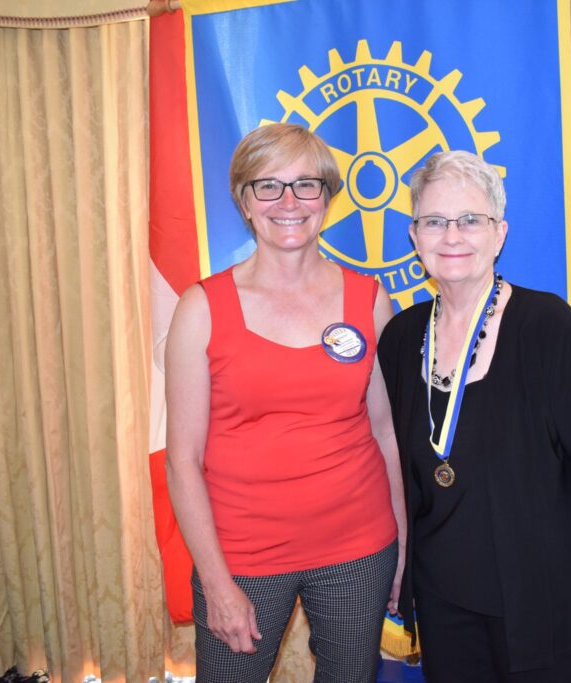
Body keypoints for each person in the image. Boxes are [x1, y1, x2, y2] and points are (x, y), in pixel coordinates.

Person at [377, 151, 571, 682]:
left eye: (471, 220)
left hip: (539, 597)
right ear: (414, 236)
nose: (453, 236)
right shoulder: (401, 340)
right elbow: (390, 469)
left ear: (499, 234)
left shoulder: (550, 328)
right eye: (435, 221)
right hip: (444, 599)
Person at [164, 123, 406, 683]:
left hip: (359, 548)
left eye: (306, 185)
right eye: (268, 186)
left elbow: (388, 433)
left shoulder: (369, 301)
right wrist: (218, 585)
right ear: (245, 203)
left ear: (328, 197)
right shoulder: (201, 308)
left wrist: (403, 543)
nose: (289, 202)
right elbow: (182, 461)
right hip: (241, 558)